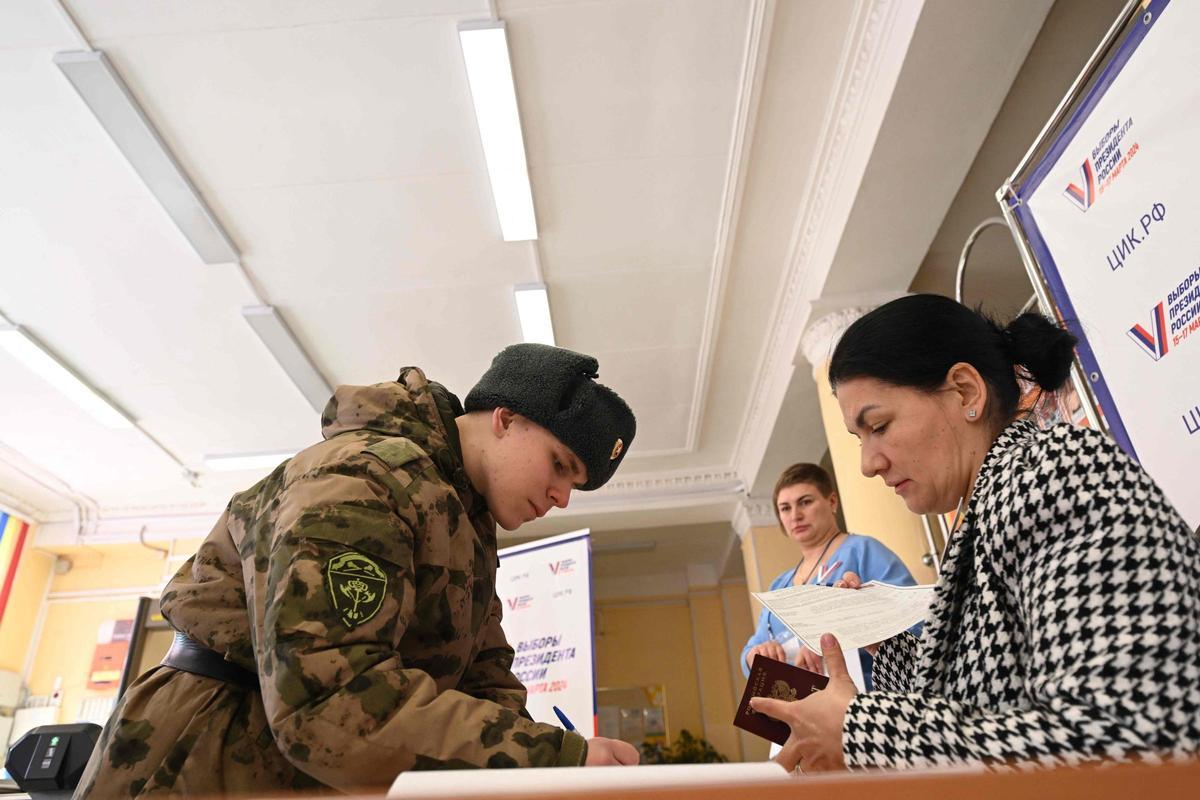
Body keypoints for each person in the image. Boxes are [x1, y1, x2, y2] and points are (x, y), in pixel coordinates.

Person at [77, 344, 641, 797]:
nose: (563, 497)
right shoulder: (363, 480)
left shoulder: (462, 525)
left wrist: (553, 764)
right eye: (560, 466)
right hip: (203, 759)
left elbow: (483, 676)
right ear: (506, 419)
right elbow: (327, 702)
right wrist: (553, 759)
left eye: (577, 485)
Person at [750, 294, 1200, 772]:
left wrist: (860, 729)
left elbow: (1129, 734)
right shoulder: (987, 512)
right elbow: (990, 707)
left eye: (878, 425)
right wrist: (894, 650)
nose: (867, 464)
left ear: (965, 392)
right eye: (860, 440)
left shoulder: (1054, 472)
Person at [740, 462, 916, 688]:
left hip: (870, 702)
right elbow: (750, 651)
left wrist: (832, 637)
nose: (795, 515)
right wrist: (755, 655)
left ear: (832, 502)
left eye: (805, 502)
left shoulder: (863, 551)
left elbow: (914, 622)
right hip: (806, 711)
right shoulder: (779, 585)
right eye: (785, 508)